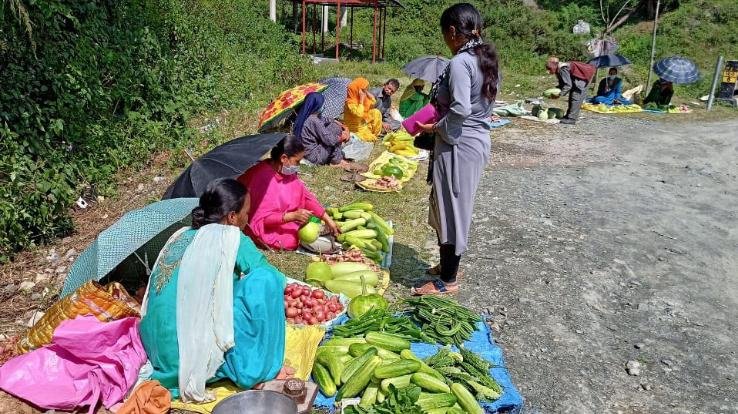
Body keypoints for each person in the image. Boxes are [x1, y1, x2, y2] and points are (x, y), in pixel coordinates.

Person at [139, 178, 290, 402]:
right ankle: (258, 368)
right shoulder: (230, 237)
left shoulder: (180, 235)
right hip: (187, 359)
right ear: (232, 217)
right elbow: (275, 279)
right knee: (265, 281)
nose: (247, 218)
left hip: (158, 351)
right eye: (246, 213)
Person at [413, 3, 498, 295]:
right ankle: (446, 266)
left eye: (444, 35)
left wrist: (435, 128)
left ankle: (447, 281)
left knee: (453, 210)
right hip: (473, 141)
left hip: (459, 143)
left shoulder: (461, 62)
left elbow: (461, 108)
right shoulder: (483, 56)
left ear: (452, 31)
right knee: (451, 205)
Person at [238, 135, 339, 251]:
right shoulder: (261, 178)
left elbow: (305, 197)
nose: (298, 166)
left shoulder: (287, 172)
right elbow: (260, 219)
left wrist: (326, 218)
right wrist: (292, 216)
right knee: (321, 244)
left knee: (319, 224)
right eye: (297, 161)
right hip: (270, 228)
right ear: (284, 158)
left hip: (293, 218)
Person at [294, 92, 350, 167]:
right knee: (335, 131)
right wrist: (342, 137)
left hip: (305, 153)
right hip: (314, 157)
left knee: (334, 126)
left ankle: (336, 158)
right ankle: (336, 161)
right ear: (316, 105)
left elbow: (324, 119)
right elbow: (330, 140)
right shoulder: (313, 120)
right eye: (322, 104)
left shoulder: (304, 115)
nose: (323, 106)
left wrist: (340, 124)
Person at [546, 56, 596, 124]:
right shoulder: (558, 70)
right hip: (577, 79)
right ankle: (568, 116)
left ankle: (572, 119)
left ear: (554, 66)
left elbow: (568, 85)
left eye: (549, 69)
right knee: (572, 96)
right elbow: (563, 83)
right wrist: (555, 90)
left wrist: (559, 94)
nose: (548, 71)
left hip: (584, 77)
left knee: (576, 97)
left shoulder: (562, 69)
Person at [343, 77, 383, 142]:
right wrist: (361, 100)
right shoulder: (350, 102)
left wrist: (367, 93)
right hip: (354, 128)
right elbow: (359, 114)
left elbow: (373, 102)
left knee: (376, 112)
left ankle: (375, 134)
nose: (364, 91)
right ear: (357, 89)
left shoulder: (359, 97)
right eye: (363, 89)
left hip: (362, 123)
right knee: (366, 137)